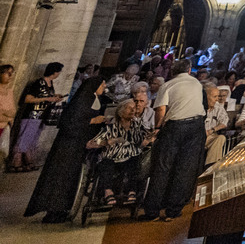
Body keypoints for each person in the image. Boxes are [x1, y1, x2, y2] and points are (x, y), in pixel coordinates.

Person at [24, 76, 108, 222]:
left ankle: (61, 209)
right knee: (60, 177)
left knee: (70, 178)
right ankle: (52, 211)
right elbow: (70, 122)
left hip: (78, 145)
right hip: (67, 146)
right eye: (102, 84)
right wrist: (93, 120)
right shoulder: (82, 100)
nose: (104, 87)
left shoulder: (92, 99)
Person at [142, 59, 206, 221]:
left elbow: (161, 109)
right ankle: (173, 211)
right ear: (190, 70)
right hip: (196, 127)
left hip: (175, 127)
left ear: (172, 72)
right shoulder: (197, 84)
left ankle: (153, 211)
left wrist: (157, 128)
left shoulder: (168, 85)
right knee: (185, 168)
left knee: (163, 167)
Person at [87, 98, 150, 206]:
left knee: (135, 162)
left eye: (134, 108)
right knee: (106, 164)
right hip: (111, 158)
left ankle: (132, 191)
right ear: (120, 113)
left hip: (130, 157)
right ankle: (108, 192)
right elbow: (90, 144)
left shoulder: (137, 127)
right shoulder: (111, 128)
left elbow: (144, 141)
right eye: (129, 108)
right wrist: (106, 142)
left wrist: (148, 139)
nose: (132, 111)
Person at [11, 62, 65, 171]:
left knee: (33, 139)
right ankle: (16, 162)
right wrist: (47, 99)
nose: (59, 74)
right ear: (55, 72)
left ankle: (28, 161)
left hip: (43, 115)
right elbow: (28, 99)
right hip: (33, 114)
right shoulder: (39, 83)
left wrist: (55, 96)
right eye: (59, 71)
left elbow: (46, 95)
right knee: (24, 137)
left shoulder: (50, 83)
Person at [202, 82, 228, 167]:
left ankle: (210, 166)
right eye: (214, 96)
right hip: (197, 137)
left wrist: (212, 130)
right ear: (206, 96)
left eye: (218, 96)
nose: (217, 99)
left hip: (211, 136)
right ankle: (213, 168)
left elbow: (224, 122)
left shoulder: (218, 106)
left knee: (220, 138)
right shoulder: (198, 106)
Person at [0, 64, 16, 165]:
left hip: (4, 126)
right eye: (7, 73)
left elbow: (13, 111)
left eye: (11, 73)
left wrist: (5, 113)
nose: (10, 76)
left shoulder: (10, 91)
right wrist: (7, 115)